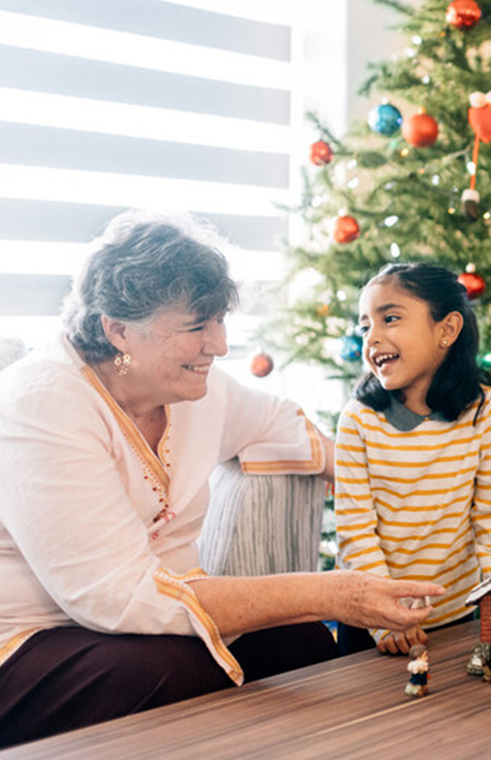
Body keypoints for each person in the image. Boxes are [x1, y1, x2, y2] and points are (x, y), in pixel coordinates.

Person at [0, 211, 444, 749]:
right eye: (196, 327)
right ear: (117, 328)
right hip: (29, 638)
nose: (219, 344)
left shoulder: (194, 389)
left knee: (295, 643)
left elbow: (280, 424)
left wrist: (387, 485)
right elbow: (119, 597)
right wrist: (331, 592)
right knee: (180, 670)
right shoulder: (41, 404)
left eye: (218, 321)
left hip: (137, 624)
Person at [333, 262, 491, 656]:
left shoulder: (482, 409)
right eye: (366, 326)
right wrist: (387, 618)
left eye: (391, 319)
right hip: (372, 623)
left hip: (455, 617)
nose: (373, 338)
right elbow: (356, 533)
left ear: (447, 330)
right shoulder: (358, 420)